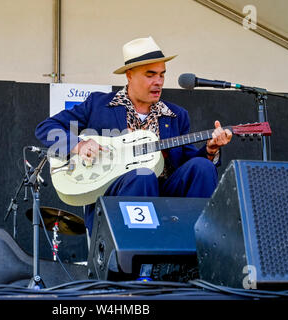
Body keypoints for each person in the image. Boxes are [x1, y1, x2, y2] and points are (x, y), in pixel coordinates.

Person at [35, 36, 232, 236]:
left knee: (203, 167)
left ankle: (198, 250)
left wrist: (210, 151)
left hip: (167, 198)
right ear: (129, 75)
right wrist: (79, 145)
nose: (158, 82)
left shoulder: (176, 115)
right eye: (150, 75)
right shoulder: (99, 105)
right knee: (143, 176)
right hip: (117, 199)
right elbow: (47, 127)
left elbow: (188, 165)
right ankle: (137, 259)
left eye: (162, 75)